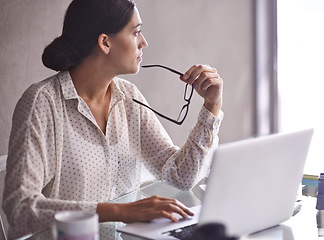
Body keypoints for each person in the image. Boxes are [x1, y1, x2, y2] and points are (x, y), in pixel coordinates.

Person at [2, 0, 224, 239]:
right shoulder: (42, 103)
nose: (144, 42)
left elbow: (181, 175)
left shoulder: (128, 97)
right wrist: (120, 211)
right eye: (136, 32)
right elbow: (20, 208)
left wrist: (212, 105)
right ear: (105, 42)